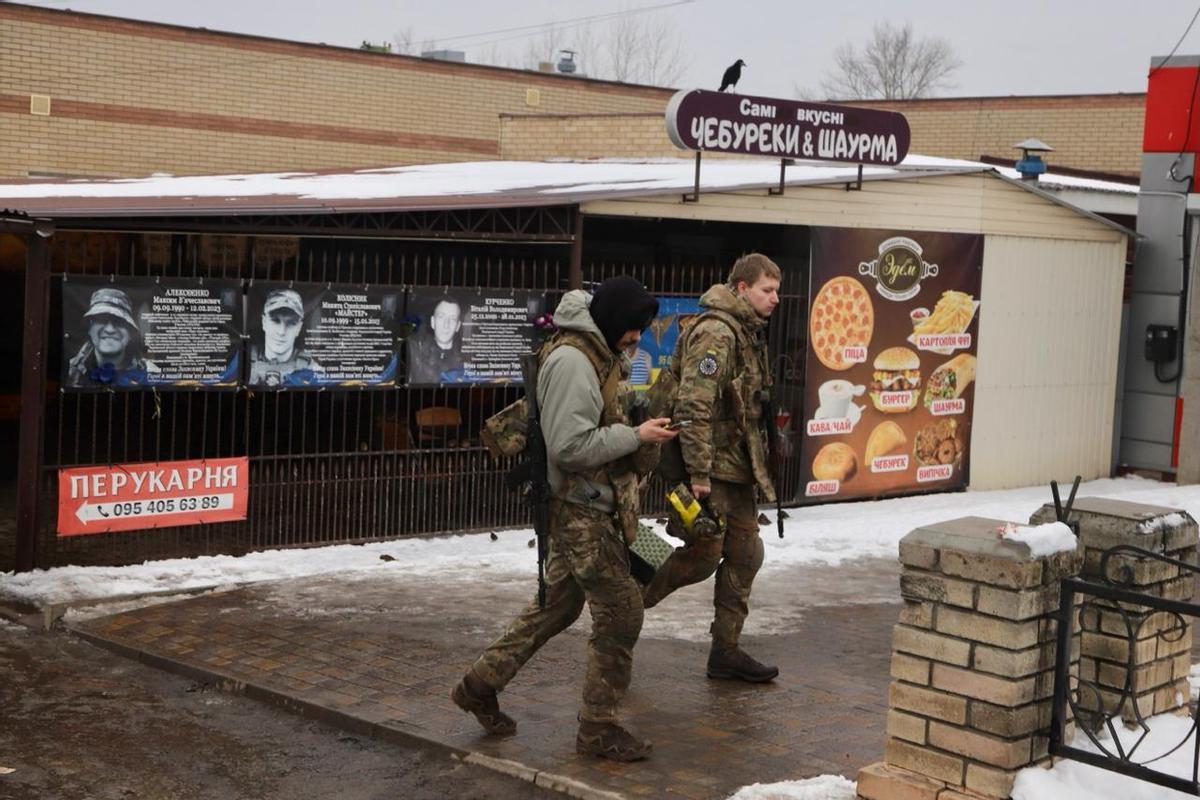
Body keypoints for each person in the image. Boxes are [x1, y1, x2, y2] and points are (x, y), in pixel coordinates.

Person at [451, 276, 677, 762]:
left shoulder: (600, 350)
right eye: (633, 328)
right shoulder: (575, 360)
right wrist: (636, 436)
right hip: (582, 510)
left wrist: (643, 429)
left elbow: (602, 421)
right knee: (621, 612)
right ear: (613, 318)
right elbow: (571, 447)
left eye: (642, 330)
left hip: (598, 505)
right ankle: (598, 728)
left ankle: (478, 685)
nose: (638, 338)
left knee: (557, 606)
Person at [641, 253, 782, 683]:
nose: (775, 298)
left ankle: (725, 651)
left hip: (735, 469)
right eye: (767, 290)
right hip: (710, 469)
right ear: (742, 289)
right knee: (702, 556)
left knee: (745, 554)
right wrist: (698, 474)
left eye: (777, 290)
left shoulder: (746, 331)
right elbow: (693, 406)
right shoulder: (717, 333)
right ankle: (623, 600)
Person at [65, 287, 156, 387]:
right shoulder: (68, 371)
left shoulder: (152, 373)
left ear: (130, 332)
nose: (110, 330)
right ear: (90, 328)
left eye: (119, 321)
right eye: (101, 319)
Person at [248, 288, 321, 387]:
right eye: (275, 320)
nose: (282, 332)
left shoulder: (311, 368)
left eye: (291, 323)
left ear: (298, 328)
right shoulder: (244, 360)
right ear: (264, 322)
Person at [407, 298, 465, 384]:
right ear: (433, 322)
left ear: (458, 326)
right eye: (441, 316)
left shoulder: (465, 357)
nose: (446, 325)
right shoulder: (414, 350)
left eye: (452, 319)